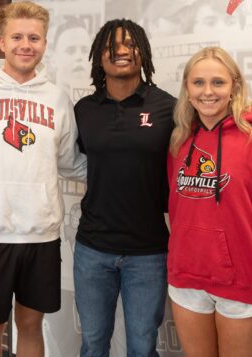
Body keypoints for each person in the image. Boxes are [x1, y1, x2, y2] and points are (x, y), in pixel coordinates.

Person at [0, 2, 86, 356]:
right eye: (17, 37)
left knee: (30, 325)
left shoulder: (57, 99)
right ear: (1, 42)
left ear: (44, 43)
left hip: (41, 234)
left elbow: (70, 162)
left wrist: (127, 169)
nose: (26, 45)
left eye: (34, 37)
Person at [167, 46, 252, 357]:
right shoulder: (179, 142)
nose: (207, 92)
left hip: (242, 285)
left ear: (235, 87)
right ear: (187, 89)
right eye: (198, 82)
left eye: (218, 82)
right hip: (186, 280)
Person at [72, 19, 175, 356]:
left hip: (148, 252)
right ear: (98, 57)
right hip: (93, 248)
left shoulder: (168, 107)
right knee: (93, 344)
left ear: (142, 53)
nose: (120, 51)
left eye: (129, 44)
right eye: (110, 45)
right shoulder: (84, 110)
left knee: (143, 347)